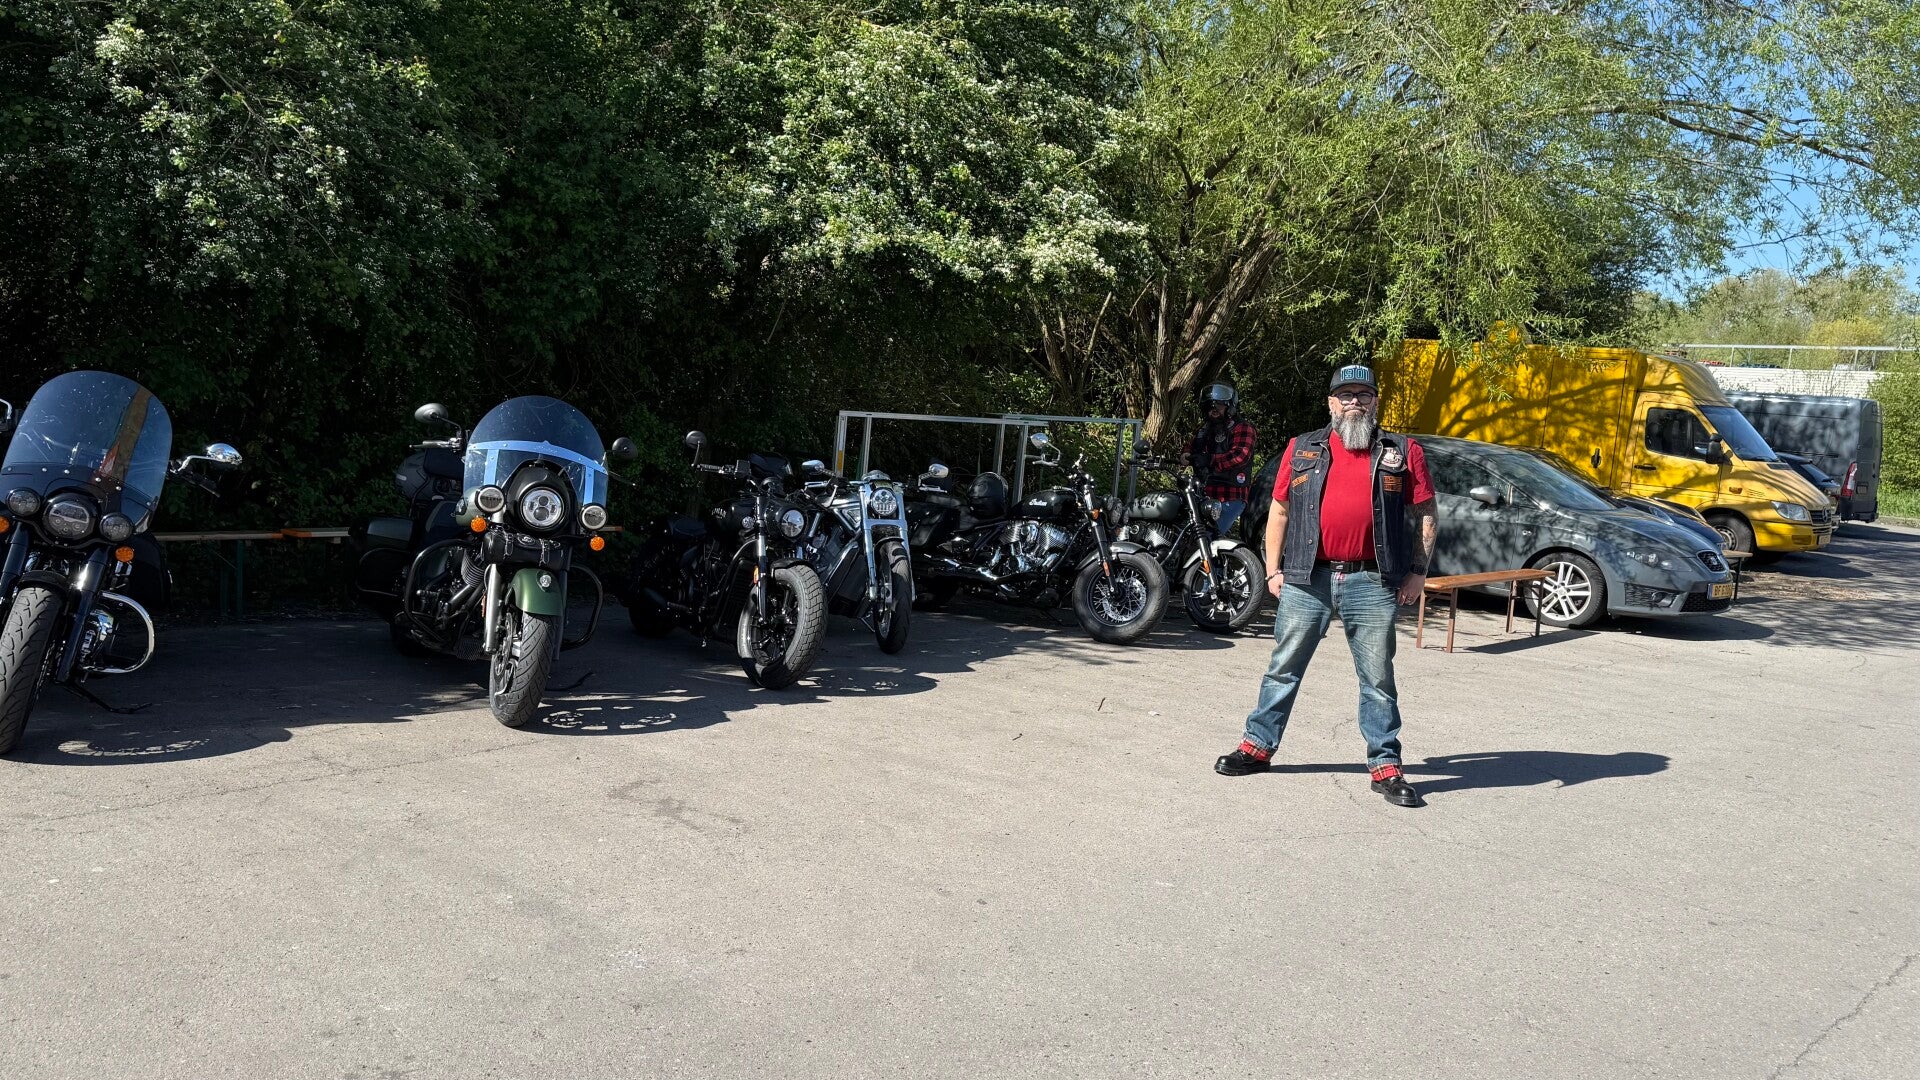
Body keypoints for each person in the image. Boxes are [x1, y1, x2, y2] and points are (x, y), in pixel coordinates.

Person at [1213, 364, 1439, 808]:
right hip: (1306, 576)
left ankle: (1385, 765)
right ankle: (1257, 747)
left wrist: (1418, 571)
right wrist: (1272, 570)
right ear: (1331, 402)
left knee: (1377, 678)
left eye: (1363, 394)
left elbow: (1426, 513)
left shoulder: (1401, 450)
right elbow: (1280, 510)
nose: (1355, 402)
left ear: (1375, 402)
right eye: (1346, 395)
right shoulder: (1301, 448)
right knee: (1283, 667)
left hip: (1372, 579)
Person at [1182, 382, 1257, 537]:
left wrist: (1210, 459)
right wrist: (1186, 455)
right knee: (1185, 534)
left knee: (1208, 536)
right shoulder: (1204, 429)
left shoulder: (1242, 428)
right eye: (1210, 406)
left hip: (1230, 495)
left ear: (1230, 407)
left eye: (1219, 405)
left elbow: (1240, 456)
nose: (1214, 409)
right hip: (1202, 493)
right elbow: (1190, 446)